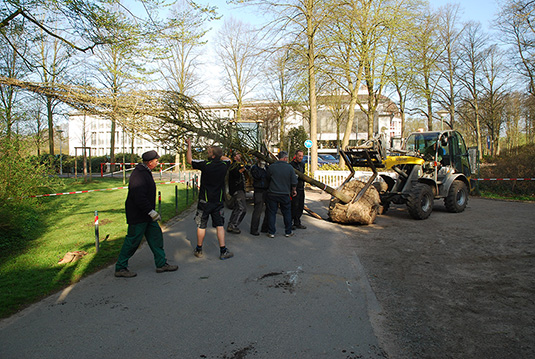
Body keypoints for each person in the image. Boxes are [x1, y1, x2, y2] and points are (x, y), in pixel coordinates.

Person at [115, 150, 178, 277]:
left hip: (148, 216)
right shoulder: (138, 175)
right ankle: (120, 267)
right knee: (133, 241)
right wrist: (151, 211)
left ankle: (161, 264)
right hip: (138, 215)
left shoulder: (145, 172)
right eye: (156, 161)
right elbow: (139, 197)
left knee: (156, 237)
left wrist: (151, 213)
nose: (157, 163)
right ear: (150, 162)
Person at [187, 139, 234, 260]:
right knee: (220, 226)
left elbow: (189, 160)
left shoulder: (205, 165)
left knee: (202, 225)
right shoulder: (224, 165)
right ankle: (223, 250)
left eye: (209, 152)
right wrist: (217, 153)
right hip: (218, 201)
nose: (207, 153)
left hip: (204, 201)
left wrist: (189, 145)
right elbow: (228, 159)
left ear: (212, 155)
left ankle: (199, 249)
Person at [266, 151, 298, 238]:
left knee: (272, 213)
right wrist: (294, 190)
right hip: (284, 194)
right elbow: (294, 181)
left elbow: (267, 178)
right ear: (285, 158)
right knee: (287, 213)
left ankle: (271, 232)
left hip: (273, 193)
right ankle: (288, 231)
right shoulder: (289, 168)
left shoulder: (272, 167)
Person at [227, 152, 247, 234]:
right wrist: (241, 170)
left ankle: (231, 224)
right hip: (237, 190)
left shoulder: (238, 165)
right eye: (238, 155)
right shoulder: (234, 166)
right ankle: (233, 225)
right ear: (235, 157)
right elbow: (235, 174)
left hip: (238, 190)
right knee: (242, 208)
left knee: (237, 208)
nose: (240, 155)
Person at [250, 159, 269, 236]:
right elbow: (258, 176)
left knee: (269, 209)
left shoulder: (267, 168)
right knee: (258, 210)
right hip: (259, 191)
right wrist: (261, 168)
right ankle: (254, 229)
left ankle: (265, 228)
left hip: (267, 190)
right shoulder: (254, 168)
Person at [290, 150, 307, 230]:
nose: (301, 157)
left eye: (302, 156)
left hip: (301, 188)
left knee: (300, 206)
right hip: (294, 188)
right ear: (296, 156)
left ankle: (297, 222)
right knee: (294, 206)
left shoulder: (302, 164)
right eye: (299, 156)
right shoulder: (291, 165)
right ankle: (290, 222)